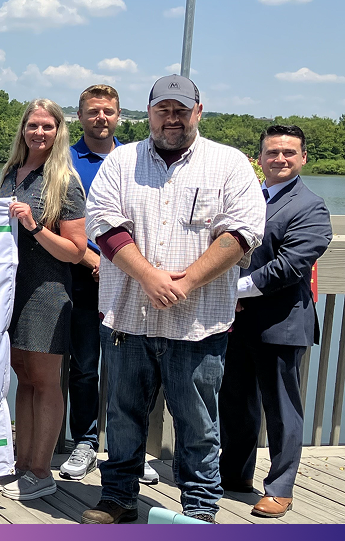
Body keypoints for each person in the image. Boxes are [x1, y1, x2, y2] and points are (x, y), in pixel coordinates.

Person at [82, 75, 266, 524]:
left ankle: (200, 508)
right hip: (128, 319)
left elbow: (243, 231)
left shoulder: (230, 164)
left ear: (198, 112)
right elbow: (102, 224)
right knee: (123, 417)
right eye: (163, 109)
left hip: (199, 322)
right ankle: (118, 498)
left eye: (181, 109)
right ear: (148, 113)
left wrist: (184, 284)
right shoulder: (121, 161)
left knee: (199, 425)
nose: (172, 117)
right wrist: (148, 277)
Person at [219, 125, 331, 519]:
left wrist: (231, 290)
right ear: (260, 157)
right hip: (234, 325)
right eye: (272, 152)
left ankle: (280, 488)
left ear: (302, 159)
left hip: (281, 324)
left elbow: (291, 265)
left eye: (289, 153)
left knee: (282, 410)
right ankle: (232, 475)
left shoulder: (311, 206)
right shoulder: (249, 198)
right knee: (235, 403)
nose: (280, 159)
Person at [0, 99, 87, 501]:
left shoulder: (65, 180)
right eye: (32, 125)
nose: (39, 133)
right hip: (11, 291)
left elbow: (76, 251)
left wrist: (34, 225)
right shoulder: (11, 172)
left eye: (47, 126)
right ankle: (20, 464)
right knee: (23, 381)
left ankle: (42, 470)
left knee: (44, 383)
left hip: (48, 292)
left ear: (59, 131)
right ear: (22, 130)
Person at [59, 84, 159, 485]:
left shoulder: (136, 159)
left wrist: (126, 264)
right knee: (84, 369)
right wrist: (94, 258)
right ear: (80, 116)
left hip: (129, 287)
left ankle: (128, 450)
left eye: (109, 111)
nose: (101, 118)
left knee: (130, 372)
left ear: (119, 116)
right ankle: (84, 442)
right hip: (83, 283)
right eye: (93, 111)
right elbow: (57, 218)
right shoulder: (63, 160)